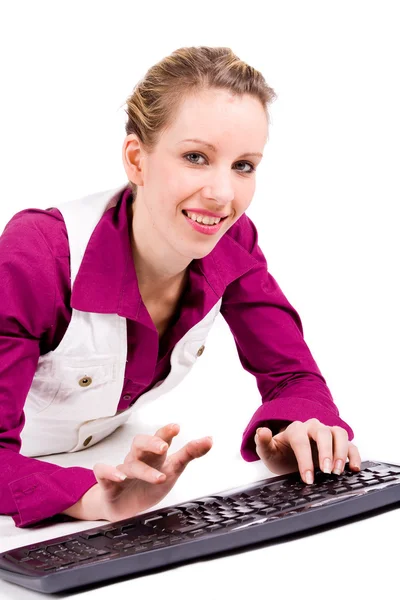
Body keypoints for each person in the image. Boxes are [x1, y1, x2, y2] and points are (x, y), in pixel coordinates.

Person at [0, 46, 361, 528]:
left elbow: (293, 375)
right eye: (196, 157)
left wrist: (299, 428)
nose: (223, 194)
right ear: (137, 159)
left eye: (244, 165)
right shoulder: (38, 256)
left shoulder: (232, 243)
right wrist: (90, 498)